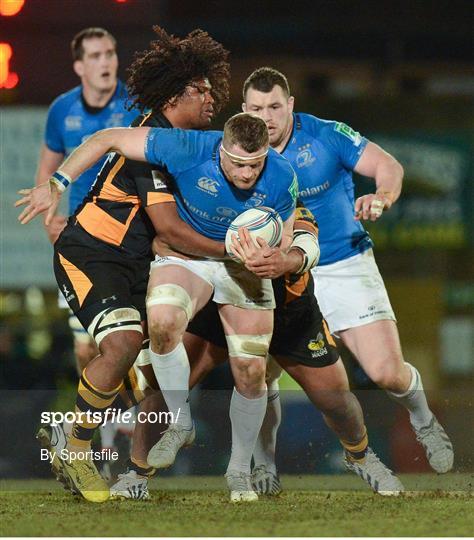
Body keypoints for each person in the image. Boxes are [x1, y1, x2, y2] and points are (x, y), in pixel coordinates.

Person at [17, 111, 299, 502]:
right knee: (157, 328)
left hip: (244, 268)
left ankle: (238, 473)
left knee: (251, 370)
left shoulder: (282, 175)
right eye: (237, 164)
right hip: (189, 259)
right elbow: (108, 138)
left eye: (255, 165)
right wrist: (57, 182)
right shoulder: (186, 146)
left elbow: (286, 230)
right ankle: (171, 430)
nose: (248, 175)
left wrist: (279, 257)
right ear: (221, 148)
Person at [20, 27, 232, 503]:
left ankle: (130, 468)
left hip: (133, 264)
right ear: (178, 93)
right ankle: (73, 444)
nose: (213, 98)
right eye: (203, 89)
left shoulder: (181, 141)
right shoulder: (154, 145)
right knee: (123, 342)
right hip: (92, 254)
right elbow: (170, 230)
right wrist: (231, 251)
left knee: (151, 366)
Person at [240, 66, 454, 474]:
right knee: (256, 372)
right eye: (255, 108)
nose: (265, 117)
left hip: (344, 264)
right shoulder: (238, 149)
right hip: (283, 276)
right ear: (244, 108)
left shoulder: (326, 135)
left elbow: (387, 165)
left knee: (386, 373)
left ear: (290, 106)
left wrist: (382, 196)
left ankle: (424, 421)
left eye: (273, 107)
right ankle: (263, 464)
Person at [34, 27, 138, 462]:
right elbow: (48, 170)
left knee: (129, 343)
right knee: (86, 347)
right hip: (82, 243)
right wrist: (49, 221)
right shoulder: (62, 111)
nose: (106, 61)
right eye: (96, 54)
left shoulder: (135, 104)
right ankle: (105, 439)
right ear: (79, 66)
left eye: (111, 52)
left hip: (127, 242)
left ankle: (137, 434)